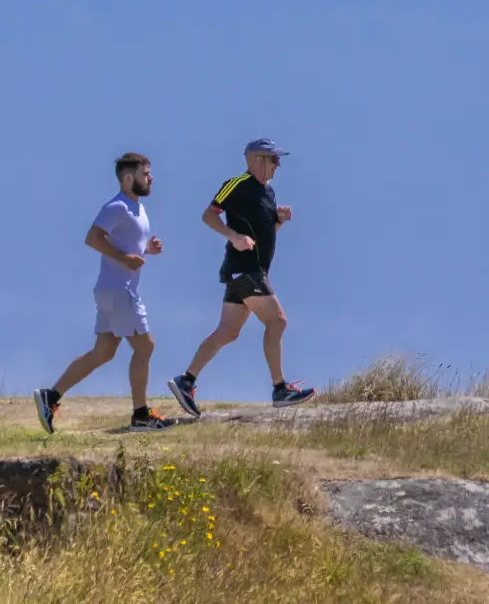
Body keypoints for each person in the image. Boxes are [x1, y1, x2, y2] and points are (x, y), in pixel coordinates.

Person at [166, 139, 316, 417]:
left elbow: (265, 235)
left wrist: (279, 220)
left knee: (228, 332)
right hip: (244, 269)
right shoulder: (236, 184)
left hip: (252, 270)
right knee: (277, 321)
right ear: (256, 159)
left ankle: (185, 381)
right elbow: (208, 216)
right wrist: (233, 237)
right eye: (273, 160)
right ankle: (280, 388)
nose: (277, 166)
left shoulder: (268, 192)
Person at [33, 153, 176, 434]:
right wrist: (125, 258)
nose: (151, 178)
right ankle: (140, 415)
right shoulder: (117, 207)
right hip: (119, 290)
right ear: (127, 178)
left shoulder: (137, 208)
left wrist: (147, 249)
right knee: (145, 346)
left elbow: (127, 244)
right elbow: (92, 238)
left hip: (113, 290)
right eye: (145, 173)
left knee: (103, 352)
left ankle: (51, 397)